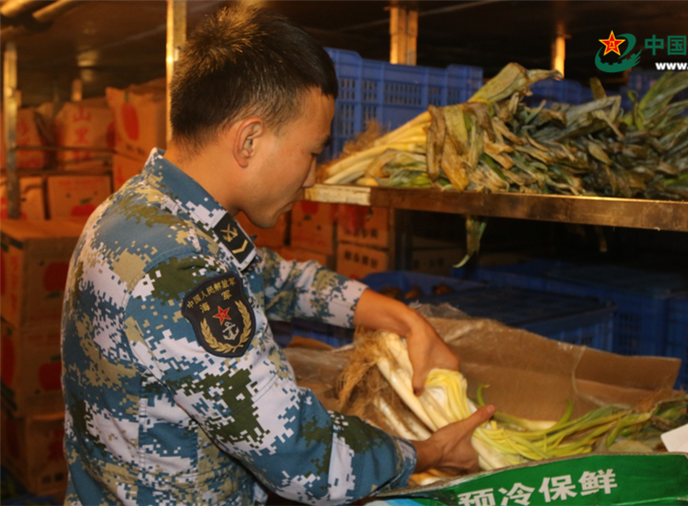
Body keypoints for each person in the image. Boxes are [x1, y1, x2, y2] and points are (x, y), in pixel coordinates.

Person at [61, 4, 494, 505]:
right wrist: (428, 451)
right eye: (312, 152)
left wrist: (403, 320)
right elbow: (302, 459)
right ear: (249, 139)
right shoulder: (179, 265)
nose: (311, 177)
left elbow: (272, 279)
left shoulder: (144, 213)